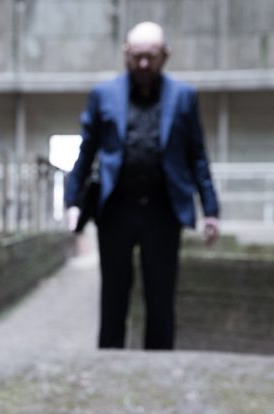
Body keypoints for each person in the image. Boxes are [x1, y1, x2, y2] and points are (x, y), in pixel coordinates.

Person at [65, 21, 220, 350]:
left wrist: (211, 210)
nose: (144, 64)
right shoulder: (103, 94)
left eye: (151, 56)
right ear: (126, 54)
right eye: (137, 56)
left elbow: (197, 156)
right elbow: (86, 152)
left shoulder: (184, 96)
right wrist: (72, 202)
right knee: (113, 297)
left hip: (163, 211)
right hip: (116, 211)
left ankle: (159, 367)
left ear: (166, 55)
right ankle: (109, 364)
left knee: (161, 299)